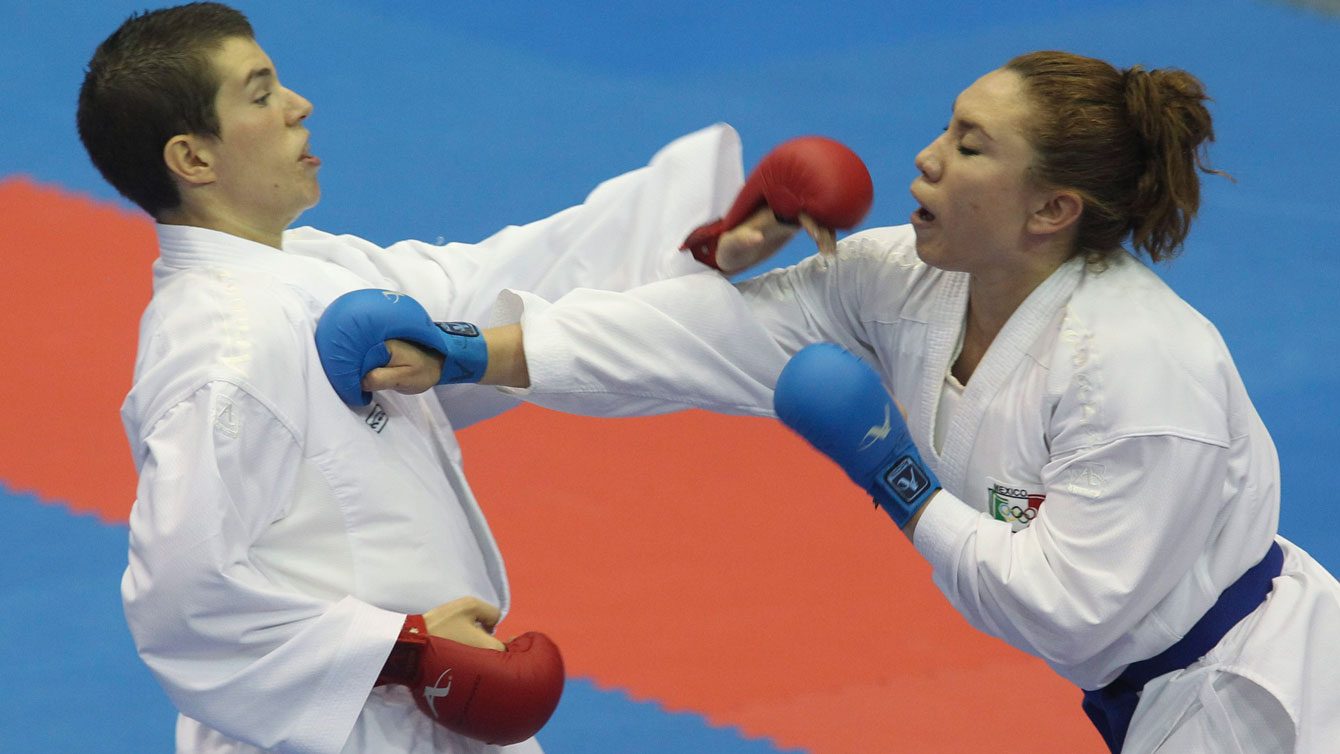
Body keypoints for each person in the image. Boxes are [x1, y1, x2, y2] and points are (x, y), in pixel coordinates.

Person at [331, 52, 1340, 752]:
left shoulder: (1136, 372)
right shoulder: (906, 279)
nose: (925, 157)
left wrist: (890, 476)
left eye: (970, 146)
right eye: (945, 125)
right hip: (1155, 693)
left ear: (1050, 210)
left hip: (1261, 697)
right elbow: (697, 341)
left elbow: (1062, 608)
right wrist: (469, 352)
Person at [77, 3, 861, 752]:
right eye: (262, 94)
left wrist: (707, 246)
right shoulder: (223, 354)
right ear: (192, 158)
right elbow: (182, 599)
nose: (298, 105)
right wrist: (407, 653)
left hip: (429, 706)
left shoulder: (308, 268)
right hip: (335, 726)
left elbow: (489, 289)